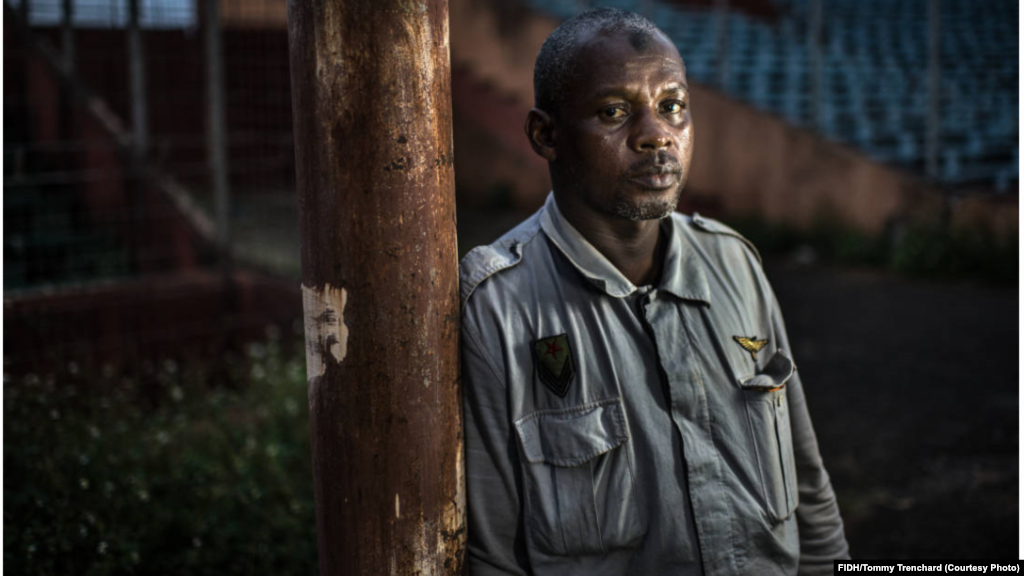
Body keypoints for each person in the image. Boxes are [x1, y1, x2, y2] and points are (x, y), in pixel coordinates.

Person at [459, 8, 850, 576]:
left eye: (672, 107)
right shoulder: (498, 307)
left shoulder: (734, 262)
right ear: (546, 135)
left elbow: (808, 485)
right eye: (614, 112)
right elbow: (494, 557)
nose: (656, 135)